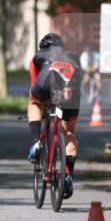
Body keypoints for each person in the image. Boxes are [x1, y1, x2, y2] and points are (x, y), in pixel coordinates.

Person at [26, 33, 83, 200]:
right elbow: (80, 80)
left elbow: (33, 85)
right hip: (70, 91)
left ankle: (36, 141)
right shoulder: (73, 55)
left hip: (46, 83)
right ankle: (67, 176)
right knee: (69, 133)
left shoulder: (38, 56)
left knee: (34, 102)